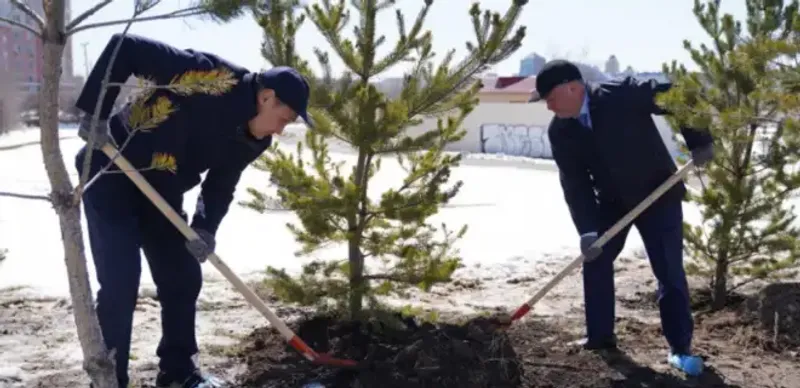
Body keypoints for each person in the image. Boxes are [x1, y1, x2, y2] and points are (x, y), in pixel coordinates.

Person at [73, 33, 312, 388]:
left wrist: (205, 227)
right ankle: (110, 380)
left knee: (182, 275)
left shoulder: (253, 138)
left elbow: (219, 186)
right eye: (285, 117)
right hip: (111, 171)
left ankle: (178, 372)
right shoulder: (210, 77)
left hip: (161, 191)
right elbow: (126, 47)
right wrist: (97, 112)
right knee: (121, 282)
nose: (281, 129)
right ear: (266, 97)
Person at [531, 60, 714, 376]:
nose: (548, 107)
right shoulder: (561, 131)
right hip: (613, 202)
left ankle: (679, 347)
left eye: (549, 98)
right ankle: (600, 338)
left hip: (658, 194)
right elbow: (575, 183)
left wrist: (699, 141)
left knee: (668, 270)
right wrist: (587, 231)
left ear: (572, 88)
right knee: (595, 258)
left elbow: (680, 96)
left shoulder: (620, 95)